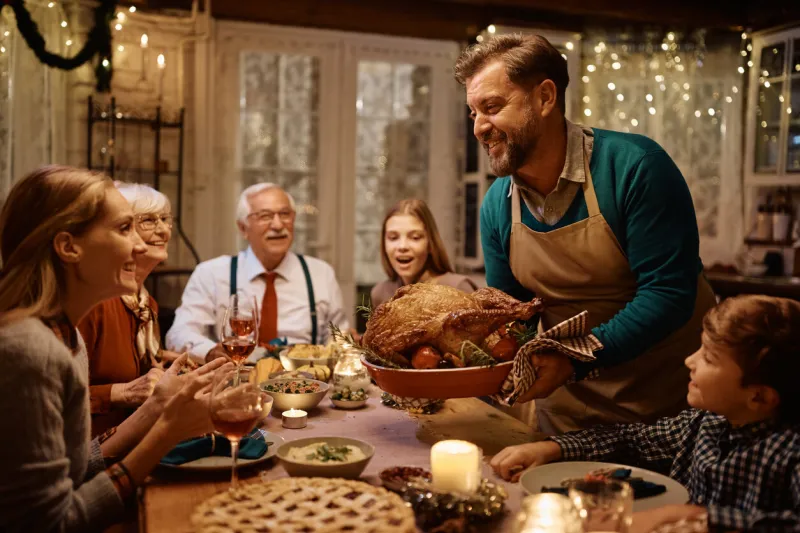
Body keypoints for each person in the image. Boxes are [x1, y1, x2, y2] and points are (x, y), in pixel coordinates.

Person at [455, 34, 717, 433]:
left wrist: (574, 357)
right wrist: (480, 361)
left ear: (545, 97)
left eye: (492, 107)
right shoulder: (497, 205)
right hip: (566, 410)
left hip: (664, 407)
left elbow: (668, 293)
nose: (479, 128)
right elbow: (514, 313)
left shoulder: (634, 168)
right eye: (473, 112)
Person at [0, 165, 228, 532]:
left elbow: (77, 467)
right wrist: (166, 431)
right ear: (68, 247)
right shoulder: (29, 350)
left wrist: (156, 407)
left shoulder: (65, 335)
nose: (140, 243)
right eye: (125, 228)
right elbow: (55, 522)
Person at [490, 295, 800, 533]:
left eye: (708, 357)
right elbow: (633, 440)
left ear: (758, 397)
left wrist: (692, 517)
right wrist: (553, 447)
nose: (690, 361)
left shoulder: (789, 451)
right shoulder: (706, 423)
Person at [166, 183, 349, 364]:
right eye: (265, 216)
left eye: (284, 214)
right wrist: (211, 352)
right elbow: (179, 334)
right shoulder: (211, 274)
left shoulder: (320, 273)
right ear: (243, 228)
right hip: (235, 382)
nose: (277, 225)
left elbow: (340, 337)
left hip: (304, 384)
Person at [78, 183, 183, 437]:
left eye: (165, 219)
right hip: (91, 450)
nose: (162, 230)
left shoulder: (146, 304)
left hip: (135, 437)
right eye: (147, 220)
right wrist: (123, 392)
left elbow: (145, 375)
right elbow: (57, 397)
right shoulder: (94, 304)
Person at [370, 198, 478, 309]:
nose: (402, 246)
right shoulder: (380, 293)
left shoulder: (457, 288)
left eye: (415, 237)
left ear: (430, 243)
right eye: (393, 238)